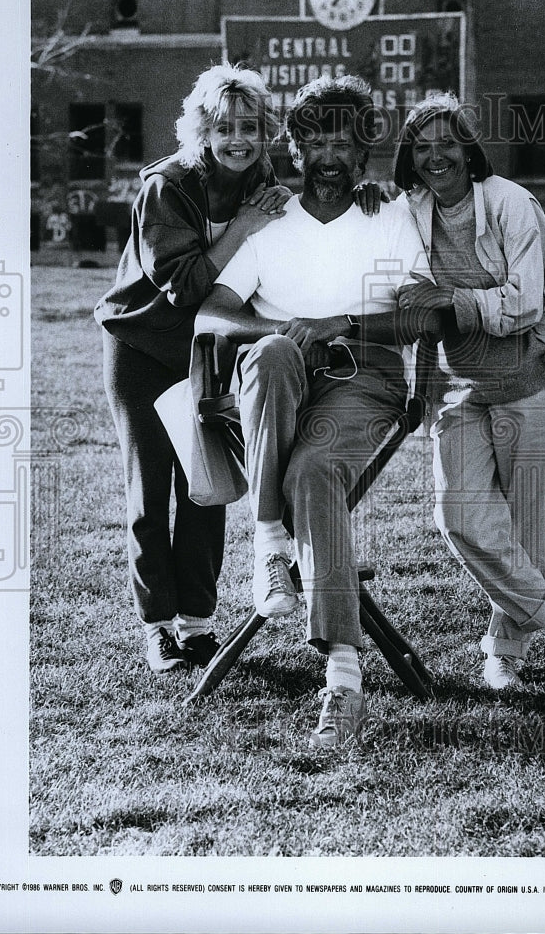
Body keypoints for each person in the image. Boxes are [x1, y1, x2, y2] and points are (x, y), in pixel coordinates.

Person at [195, 74, 438, 747]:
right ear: (296, 149)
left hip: (366, 377)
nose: (330, 156)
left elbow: (422, 314)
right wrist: (285, 328)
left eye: (345, 143)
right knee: (271, 352)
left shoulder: (387, 215)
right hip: (279, 376)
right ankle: (272, 544)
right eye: (316, 142)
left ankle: (343, 681)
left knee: (314, 474)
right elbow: (212, 310)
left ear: (364, 154)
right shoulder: (271, 218)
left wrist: (339, 325)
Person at [391, 92, 545, 690]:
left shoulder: (511, 203)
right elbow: (411, 302)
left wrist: (450, 301)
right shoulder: (409, 210)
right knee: (460, 517)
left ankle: (505, 653)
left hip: (533, 378)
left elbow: (524, 303)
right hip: (464, 385)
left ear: (470, 150)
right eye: (422, 147)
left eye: (447, 142)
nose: (435, 156)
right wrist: (420, 384)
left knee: (529, 527)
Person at [94, 63, 293, 674]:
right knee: (151, 491)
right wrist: (244, 228)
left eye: (251, 128)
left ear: (266, 133)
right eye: (225, 127)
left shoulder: (263, 181)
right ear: (201, 131)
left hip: (209, 351)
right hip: (143, 346)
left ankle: (198, 626)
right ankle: (157, 628)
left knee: (206, 487)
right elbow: (183, 288)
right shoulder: (167, 184)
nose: (239, 140)